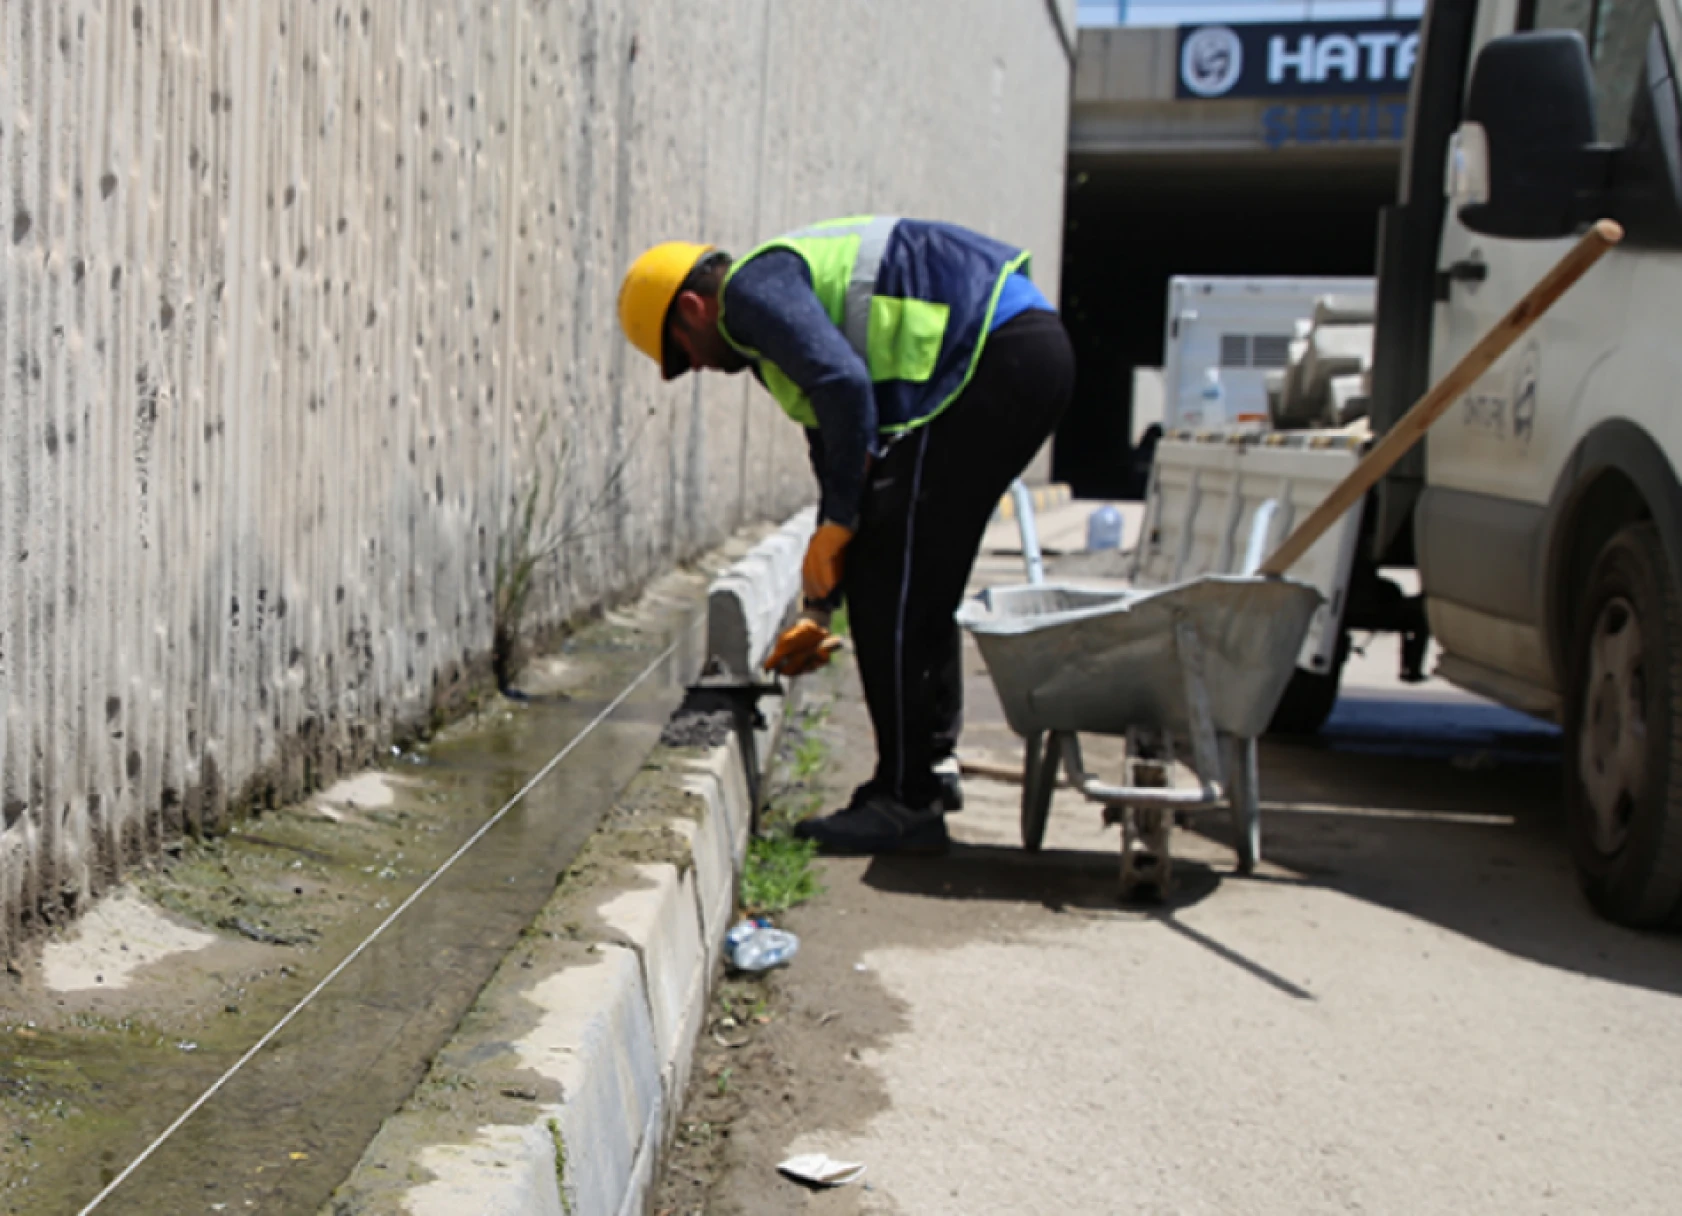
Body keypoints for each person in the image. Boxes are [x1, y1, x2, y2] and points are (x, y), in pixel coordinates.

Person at [618, 216, 1074, 854]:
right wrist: (820, 603)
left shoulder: (751, 293)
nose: (694, 367)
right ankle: (928, 769)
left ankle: (906, 800)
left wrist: (839, 527)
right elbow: (839, 448)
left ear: (693, 308)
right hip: (1015, 357)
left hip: (996, 356)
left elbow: (844, 386)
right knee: (911, 571)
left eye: (682, 352)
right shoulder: (771, 336)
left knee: (894, 575)